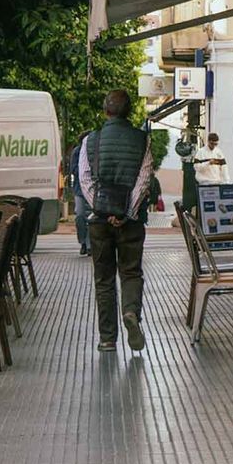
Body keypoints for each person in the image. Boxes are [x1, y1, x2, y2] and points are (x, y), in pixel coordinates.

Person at [78, 90, 155, 352]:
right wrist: (126, 212)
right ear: (129, 112)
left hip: (99, 222)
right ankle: (131, 312)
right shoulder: (142, 140)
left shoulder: (91, 141)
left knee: (104, 278)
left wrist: (103, 209)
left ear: (105, 111)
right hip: (131, 222)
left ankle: (107, 338)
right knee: (131, 272)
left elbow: (85, 180)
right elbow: (144, 180)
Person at [65, 130, 93, 255]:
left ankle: (89, 245)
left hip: (93, 189)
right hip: (80, 189)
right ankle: (83, 241)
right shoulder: (77, 151)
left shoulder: (95, 151)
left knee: (92, 218)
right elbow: (74, 169)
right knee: (80, 216)